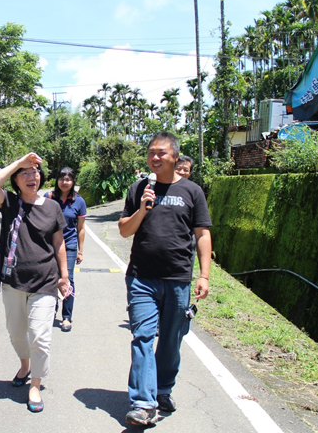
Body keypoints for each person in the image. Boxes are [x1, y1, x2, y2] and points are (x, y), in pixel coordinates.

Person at [118, 132, 212, 426]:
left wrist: (204, 275)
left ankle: (162, 389)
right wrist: (142, 209)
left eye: (161, 153)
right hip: (141, 278)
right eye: (151, 153)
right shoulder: (139, 189)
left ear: (175, 156)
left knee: (171, 340)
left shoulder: (192, 191)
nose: (155, 157)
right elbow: (124, 230)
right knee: (143, 337)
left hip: (178, 278)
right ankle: (143, 403)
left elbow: (202, 234)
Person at [0, 152, 70, 414]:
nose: (32, 177)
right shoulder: (10, 203)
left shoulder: (52, 207)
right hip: (13, 281)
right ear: (15, 180)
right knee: (16, 332)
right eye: (25, 173)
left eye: (35, 172)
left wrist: (64, 276)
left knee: (40, 336)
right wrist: (18, 163)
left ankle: (35, 384)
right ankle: (25, 364)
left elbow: (59, 243)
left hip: (45, 281)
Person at [43, 167, 86, 332]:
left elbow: (81, 228)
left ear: (73, 181)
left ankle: (67, 317)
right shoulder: (49, 197)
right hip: (49, 245)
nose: (64, 182)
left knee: (67, 279)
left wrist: (80, 251)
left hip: (69, 245)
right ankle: (51, 311)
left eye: (68, 179)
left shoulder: (79, 202)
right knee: (50, 278)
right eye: (62, 179)